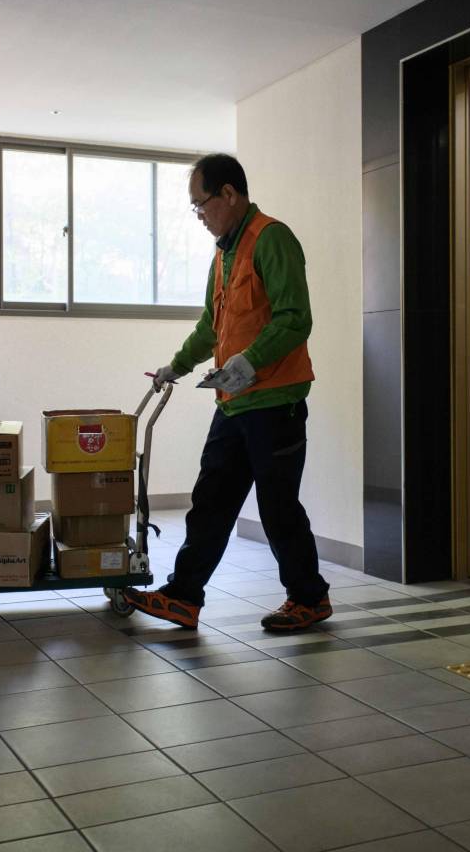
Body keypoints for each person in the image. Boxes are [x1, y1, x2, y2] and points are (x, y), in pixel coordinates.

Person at [124, 153, 331, 632]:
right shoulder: (223, 254)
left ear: (229, 194)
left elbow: (295, 318)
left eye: (201, 204)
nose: (199, 215)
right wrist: (176, 366)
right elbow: (210, 326)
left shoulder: (272, 239)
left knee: (278, 509)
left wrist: (250, 360)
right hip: (234, 403)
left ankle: (309, 598)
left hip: (275, 403)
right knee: (210, 502)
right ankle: (183, 596)